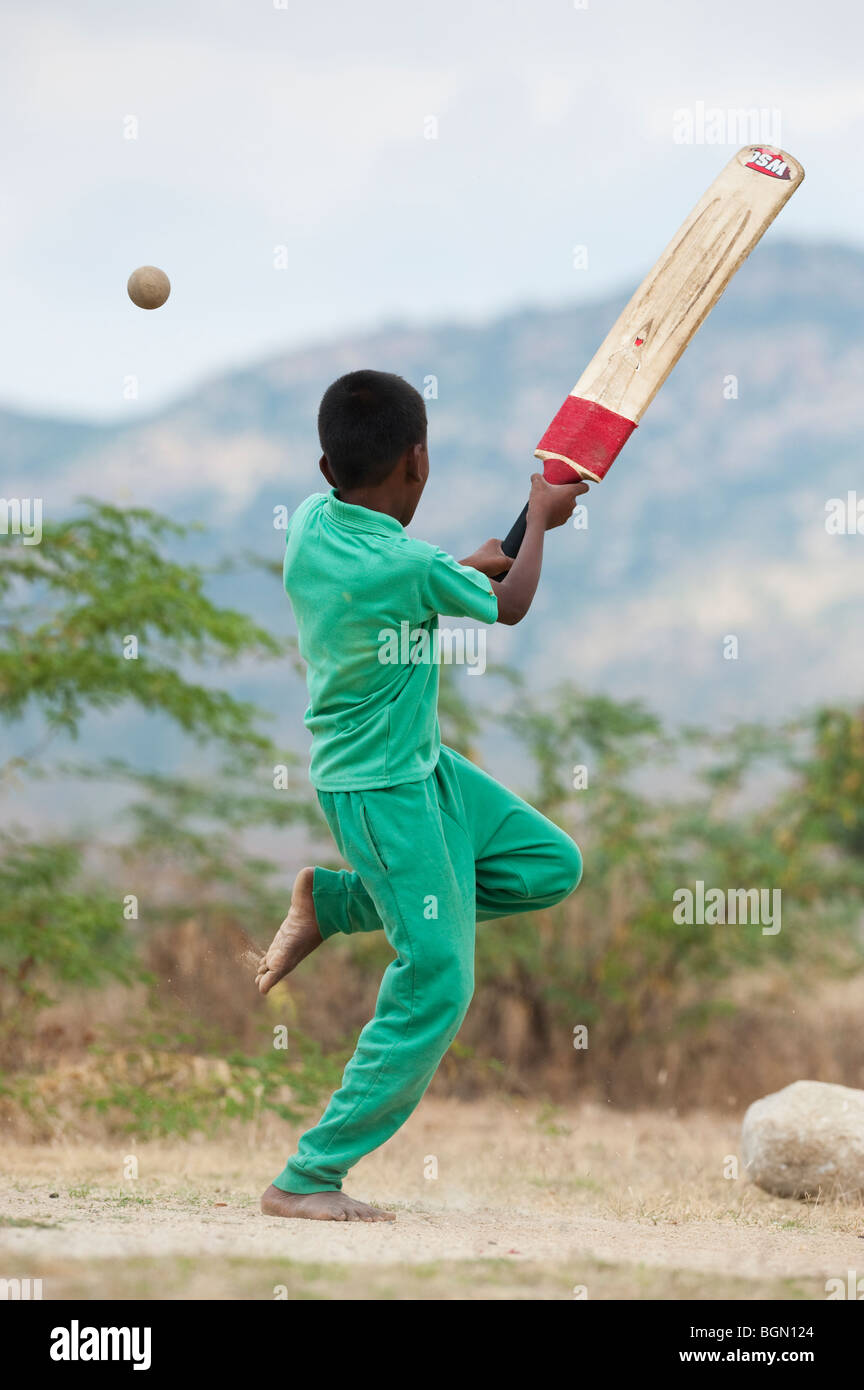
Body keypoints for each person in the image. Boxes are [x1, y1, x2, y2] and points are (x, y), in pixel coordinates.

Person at [256, 369, 585, 1221]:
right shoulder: (405, 563)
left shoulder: (313, 526)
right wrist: (541, 523)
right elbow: (508, 605)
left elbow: (414, 577)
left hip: (422, 767)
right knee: (437, 974)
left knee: (549, 865)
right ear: (420, 459)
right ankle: (309, 1176)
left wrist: (478, 556)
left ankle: (337, 903)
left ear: (326, 470)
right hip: (380, 790)